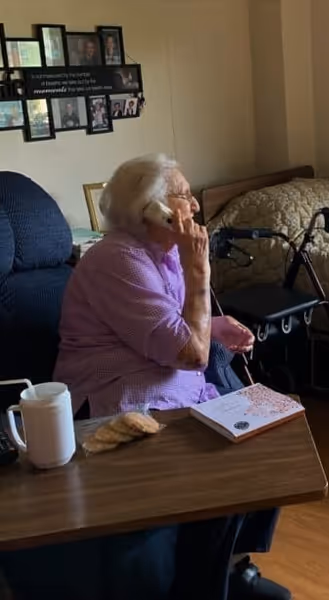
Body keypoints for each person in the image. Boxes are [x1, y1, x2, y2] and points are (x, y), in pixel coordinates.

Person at [1, 154, 292, 600]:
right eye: (183, 196)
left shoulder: (161, 254)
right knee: (223, 473)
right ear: (150, 209)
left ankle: (228, 568)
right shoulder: (117, 260)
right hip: (121, 400)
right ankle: (201, 584)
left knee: (265, 447)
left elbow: (168, 325)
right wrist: (201, 272)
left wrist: (216, 324)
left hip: (172, 385)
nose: (194, 205)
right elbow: (188, 352)